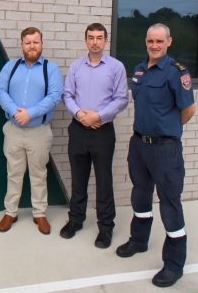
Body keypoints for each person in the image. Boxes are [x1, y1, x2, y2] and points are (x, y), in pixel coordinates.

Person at [115, 23, 196, 288]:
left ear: (169, 42)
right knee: (140, 193)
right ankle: (139, 241)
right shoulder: (139, 69)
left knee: (170, 202)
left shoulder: (176, 73)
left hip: (165, 149)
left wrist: (168, 130)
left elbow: (189, 110)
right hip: (139, 145)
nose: (154, 45)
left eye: (159, 41)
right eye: (150, 40)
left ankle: (174, 265)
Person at [60, 23, 128, 249]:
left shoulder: (116, 67)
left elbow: (121, 99)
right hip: (78, 130)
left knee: (103, 181)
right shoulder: (76, 67)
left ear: (105, 41)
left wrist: (98, 116)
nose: (95, 41)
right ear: (86, 40)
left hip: (102, 131)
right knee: (78, 179)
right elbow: (67, 94)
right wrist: (80, 114)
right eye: (91, 37)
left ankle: (105, 227)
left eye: (99, 37)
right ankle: (76, 220)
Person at [0, 26, 63, 234]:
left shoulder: (50, 68)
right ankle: (10, 212)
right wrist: (16, 112)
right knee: (14, 172)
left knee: (38, 174)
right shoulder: (11, 66)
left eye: (36, 42)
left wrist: (30, 113)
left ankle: (39, 214)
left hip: (39, 131)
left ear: (41, 44)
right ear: (22, 44)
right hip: (14, 130)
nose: (32, 46)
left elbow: (54, 96)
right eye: (28, 42)